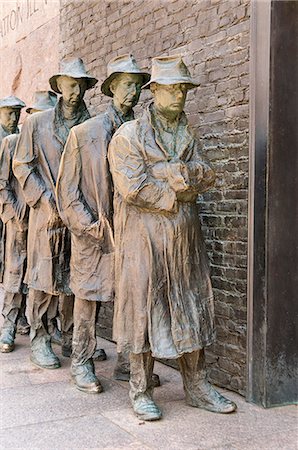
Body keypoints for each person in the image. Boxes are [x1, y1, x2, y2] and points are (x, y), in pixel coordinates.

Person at [108, 55, 237, 420]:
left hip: (184, 238)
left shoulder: (189, 133)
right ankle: (140, 388)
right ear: (155, 92)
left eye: (183, 89)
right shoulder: (129, 135)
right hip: (143, 240)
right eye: (172, 89)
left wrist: (171, 172)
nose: (179, 95)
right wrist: (178, 188)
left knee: (190, 306)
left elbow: (207, 175)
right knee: (143, 311)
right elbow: (134, 187)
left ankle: (197, 385)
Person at [56, 54, 156, 393]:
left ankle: (127, 361)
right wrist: (90, 227)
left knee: (133, 296)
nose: (133, 92)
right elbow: (67, 192)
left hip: (133, 232)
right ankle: (81, 361)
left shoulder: (145, 132)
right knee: (88, 297)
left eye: (138, 86)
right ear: (112, 88)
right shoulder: (85, 133)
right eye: (127, 85)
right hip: (95, 234)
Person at [13, 58, 97, 369]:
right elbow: (22, 165)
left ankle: (73, 339)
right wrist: (45, 200)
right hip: (45, 214)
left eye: (80, 85)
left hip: (79, 214)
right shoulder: (37, 123)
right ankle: (40, 338)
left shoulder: (92, 126)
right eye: (69, 84)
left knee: (78, 278)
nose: (75, 91)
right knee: (44, 278)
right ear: (58, 86)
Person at [0, 96, 30, 338]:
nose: (13, 118)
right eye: (9, 113)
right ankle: (8, 322)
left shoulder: (23, 138)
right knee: (13, 267)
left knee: (25, 267)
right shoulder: (8, 142)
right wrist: (12, 212)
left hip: (26, 212)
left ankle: (20, 317)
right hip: (11, 212)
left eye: (17, 113)